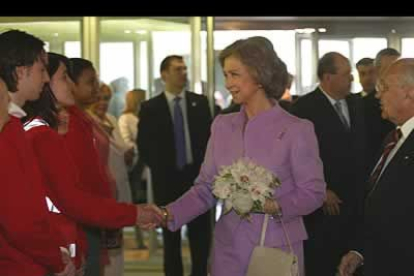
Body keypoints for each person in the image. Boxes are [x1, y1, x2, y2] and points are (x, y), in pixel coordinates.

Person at [154, 36, 326, 276]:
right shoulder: (222, 125)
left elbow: (314, 193)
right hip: (228, 249)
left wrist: (272, 205)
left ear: (259, 74)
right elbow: (205, 188)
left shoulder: (297, 129)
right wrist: (168, 214)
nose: (227, 83)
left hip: (276, 249)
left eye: (234, 74)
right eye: (225, 75)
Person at [21, 52, 163, 275]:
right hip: (64, 234)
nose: (70, 84)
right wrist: (131, 214)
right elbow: (71, 197)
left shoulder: (71, 119)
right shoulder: (40, 132)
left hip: (81, 226)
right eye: (64, 77)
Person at [0, 30, 75, 276]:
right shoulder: (7, 130)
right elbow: (20, 221)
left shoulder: (14, 125)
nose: (46, 79)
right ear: (21, 72)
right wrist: (55, 259)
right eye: (41, 70)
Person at [291, 52, 367, 276]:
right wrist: (321, 189)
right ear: (327, 77)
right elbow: (297, 158)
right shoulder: (303, 108)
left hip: (356, 202)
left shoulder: (356, 103)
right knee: (324, 264)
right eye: (346, 75)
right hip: (324, 208)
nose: (351, 79)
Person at [138, 55, 213, 276]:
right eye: (178, 69)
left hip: (197, 180)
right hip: (167, 181)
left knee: (200, 238)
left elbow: (210, 140)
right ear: (164, 74)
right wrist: (160, 169)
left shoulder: (199, 103)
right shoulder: (151, 107)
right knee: (171, 241)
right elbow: (145, 144)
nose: (183, 73)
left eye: (184, 69)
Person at [338, 58, 414, 276]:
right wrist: (360, 251)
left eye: (385, 88)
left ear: (409, 92)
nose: (378, 94)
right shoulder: (392, 138)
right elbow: (380, 204)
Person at [363, 48, 400, 173]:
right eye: (391, 68)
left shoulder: (407, 100)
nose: (396, 72)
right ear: (377, 70)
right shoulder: (362, 106)